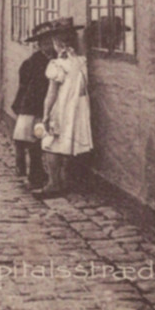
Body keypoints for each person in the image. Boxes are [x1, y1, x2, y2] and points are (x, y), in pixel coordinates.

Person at [33, 17, 92, 198]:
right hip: (78, 108)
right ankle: (65, 180)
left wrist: (45, 115)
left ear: (57, 42)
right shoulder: (81, 62)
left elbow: (52, 93)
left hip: (63, 107)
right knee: (68, 143)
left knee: (50, 144)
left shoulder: (57, 65)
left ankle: (53, 183)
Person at [11, 22, 51, 188]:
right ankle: (35, 176)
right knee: (34, 141)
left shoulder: (57, 60)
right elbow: (24, 88)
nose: (50, 46)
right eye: (45, 43)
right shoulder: (32, 63)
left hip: (49, 107)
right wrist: (25, 109)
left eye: (51, 42)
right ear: (39, 44)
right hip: (34, 109)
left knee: (45, 142)